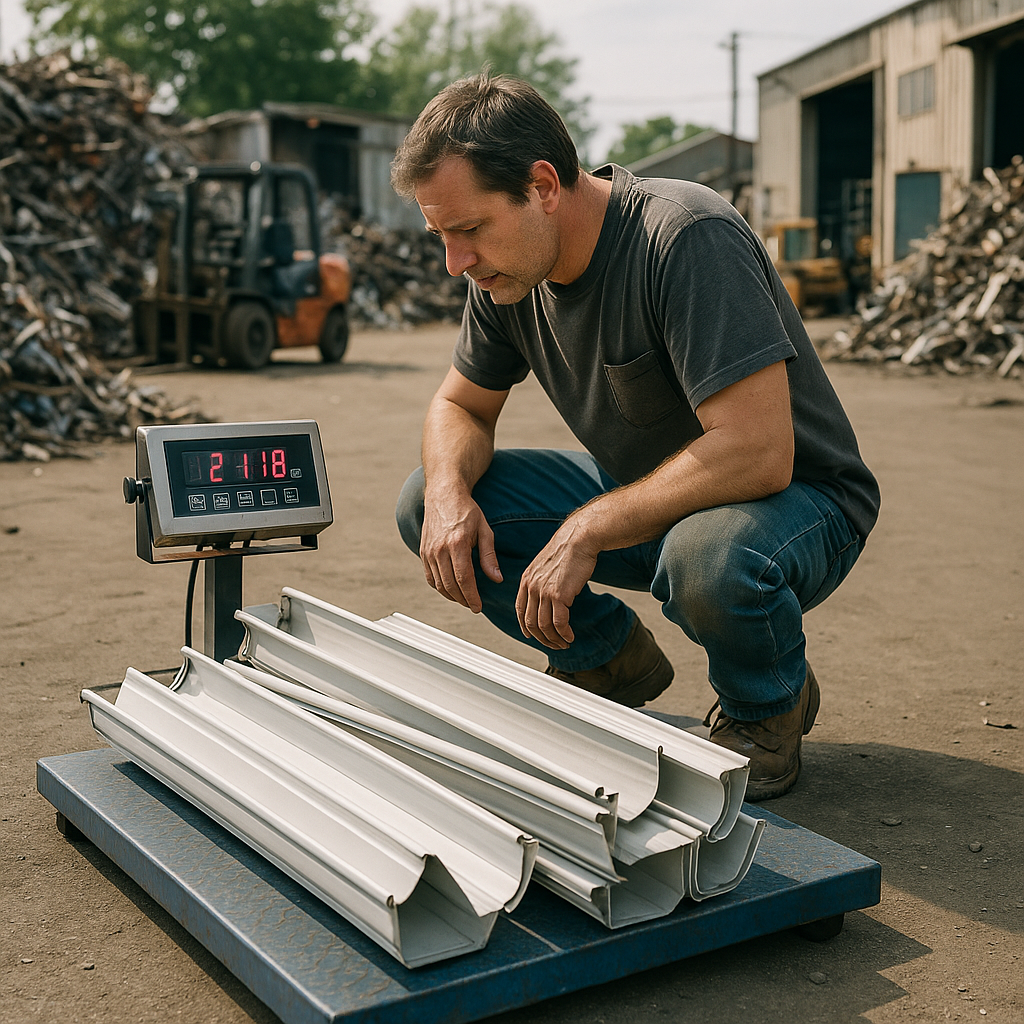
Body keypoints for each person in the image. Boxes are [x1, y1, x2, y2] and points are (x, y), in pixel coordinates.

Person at [392, 74, 880, 800]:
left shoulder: (683, 237)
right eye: (440, 236)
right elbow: (459, 405)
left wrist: (586, 528)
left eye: (467, 231)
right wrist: (446, 491)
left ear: (544, 186)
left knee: (708, 556)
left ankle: (767, 703)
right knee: (427, 501)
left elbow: (756, 451)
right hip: (654, 496)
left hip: (797, 505)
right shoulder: (503, 274)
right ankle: (606, 659)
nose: (454, 262)